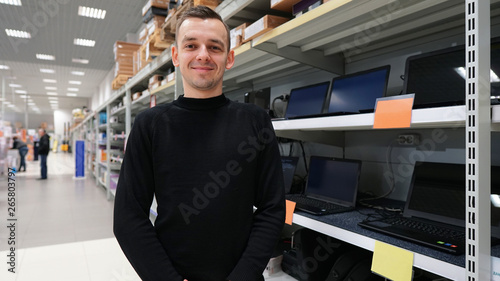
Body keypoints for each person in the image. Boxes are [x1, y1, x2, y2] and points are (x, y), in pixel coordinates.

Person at [113, 6, 285, 281]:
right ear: (176, 55)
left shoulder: (255, 121)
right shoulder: (151, 125)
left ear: (229, 58)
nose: (203, 54)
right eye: (191, 45)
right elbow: (128, 219)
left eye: (214, 47)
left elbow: (273, 208)